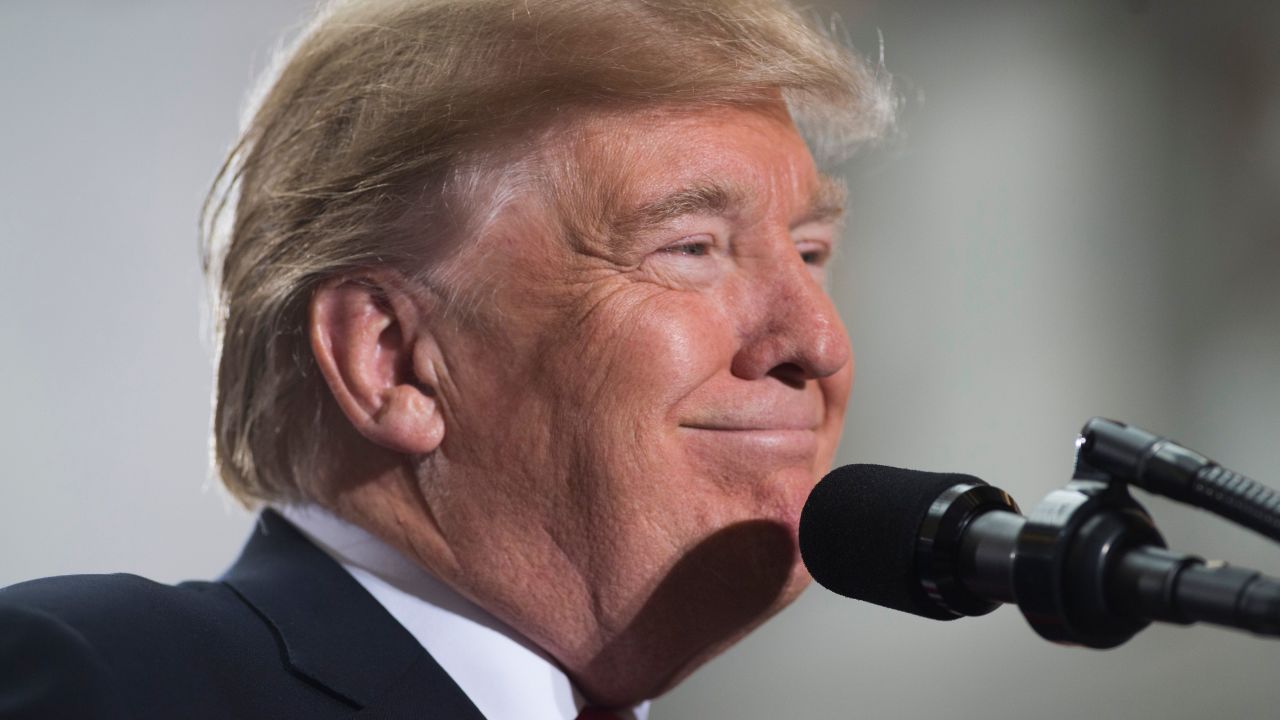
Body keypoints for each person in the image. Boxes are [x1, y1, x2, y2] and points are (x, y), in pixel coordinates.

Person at [0, 0, 892, 717]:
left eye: (811, 251)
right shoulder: (105, 682)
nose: (820, 342)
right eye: (691, 248)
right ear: (389, 359)